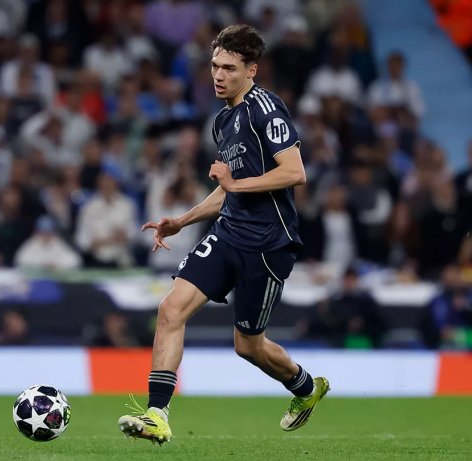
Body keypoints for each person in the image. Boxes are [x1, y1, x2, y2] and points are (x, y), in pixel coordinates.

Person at [118, 25, 329, 445]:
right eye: (215, 65)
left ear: (251, 70)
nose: (218, 75)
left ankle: (306, 387)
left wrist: (235, 185)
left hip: (268, 244)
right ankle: (157, 414)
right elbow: (227, 189)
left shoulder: (265, 107)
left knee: (248, 346)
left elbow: (294, 172)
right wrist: (183, 220)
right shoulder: (223, 120)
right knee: (170, 309)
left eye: (229, 68)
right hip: (228, 233)